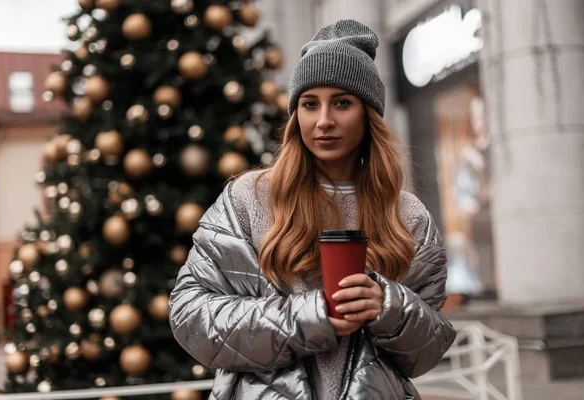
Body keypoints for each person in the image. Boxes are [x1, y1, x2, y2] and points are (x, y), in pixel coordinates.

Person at [170, 19, 456, 400]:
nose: (324, 121)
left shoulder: (408, 215)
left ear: (368, 114)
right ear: (295, 116)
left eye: (342, 102)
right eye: (309, 104)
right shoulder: (249, 199)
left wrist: (388, 307)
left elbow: (427, 351)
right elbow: (190, 315)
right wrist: (311, 316)